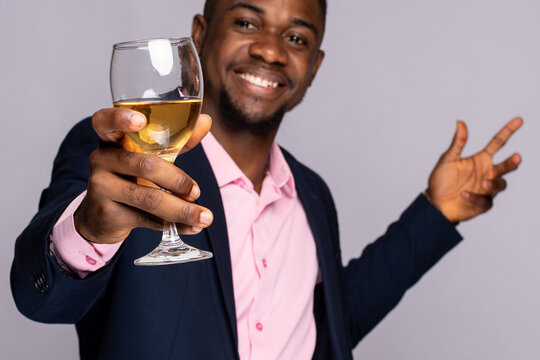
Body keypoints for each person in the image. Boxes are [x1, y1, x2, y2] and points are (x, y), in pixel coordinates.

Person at [11, 0, 523, 359]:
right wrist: (89, 230)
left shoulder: (312, 194)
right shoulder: (124, 156)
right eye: (247, 22)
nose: (272, 51)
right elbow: (41, 299)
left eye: (296, 37)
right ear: (200, 32)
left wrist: (435, 214)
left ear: (314, 65)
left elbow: (329, 327)